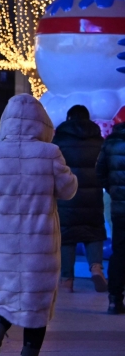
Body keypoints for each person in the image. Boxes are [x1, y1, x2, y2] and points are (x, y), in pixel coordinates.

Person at [0, 94, 77, 356]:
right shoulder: (49, 153)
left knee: (2, 296)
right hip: (38, 242)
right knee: (36, 304)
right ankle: (29, 355)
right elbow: (67, 190)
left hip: (1, 243)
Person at [52, 105, 107, 292]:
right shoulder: (99, 140)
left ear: (68, 118)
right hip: (93, 195)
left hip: (67, 195)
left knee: (67, 235)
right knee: (94, 231)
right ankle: (96, 268)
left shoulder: (59, 140)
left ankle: (67, 280)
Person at [97, 112, 125, 315]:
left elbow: (100, 173)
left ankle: (115, 299)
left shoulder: (110, 143)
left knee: (119, 253)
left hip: (120, 207)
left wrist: (114, 191)